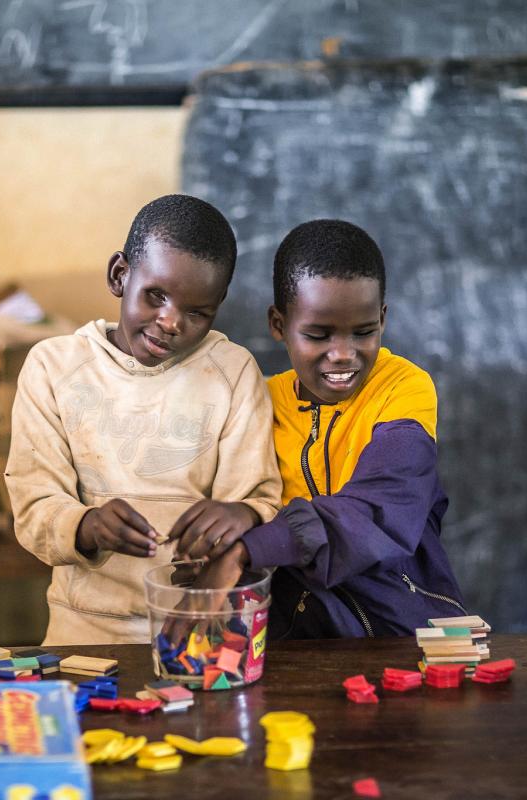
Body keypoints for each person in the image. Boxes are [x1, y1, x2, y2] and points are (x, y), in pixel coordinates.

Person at [6, 194, 281, 645]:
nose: (171, 322)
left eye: (197, 312)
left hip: (200, 627)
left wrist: (242, 514)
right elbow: (34, 508)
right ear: (120, 275)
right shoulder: (54, 367)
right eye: (156, 296)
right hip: (83, 629)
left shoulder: (232, 372)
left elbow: (260, 499)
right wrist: (87, 526)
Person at [175, 219, 466, 638]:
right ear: (278, 324)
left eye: (364, 332)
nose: (344, 355)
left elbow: (382, 506)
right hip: (291, 634)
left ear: (382, 319)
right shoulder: (257, 400)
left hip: (403, 627)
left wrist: (247, 549)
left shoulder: (404, 387)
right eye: (318, 335)